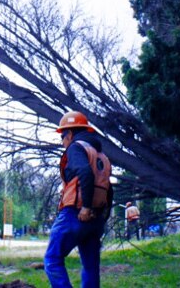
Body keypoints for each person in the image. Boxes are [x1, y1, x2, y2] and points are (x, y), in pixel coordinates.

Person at [44, 110, 113, 288]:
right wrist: (100, 217)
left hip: (75, 213)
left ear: (71, 134)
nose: (63, 142)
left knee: (52, 259)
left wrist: (86, 208)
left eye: (63, 137)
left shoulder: (76, 148)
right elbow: (109, 190)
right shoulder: (101, 157)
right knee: (90, 267)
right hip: (94, 218)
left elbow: (85, 173)